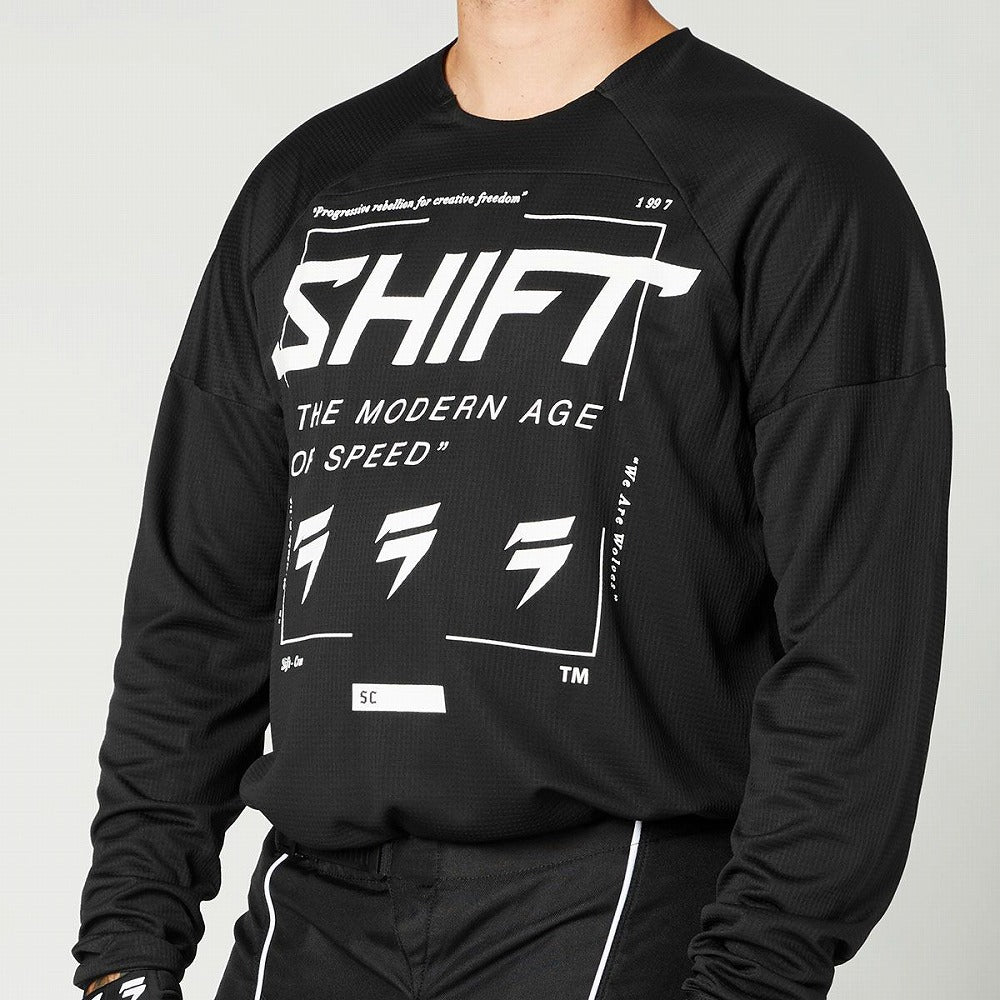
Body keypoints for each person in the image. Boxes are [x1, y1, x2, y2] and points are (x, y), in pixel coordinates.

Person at [71, 2, 952, 998]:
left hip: (618, 908)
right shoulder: (309, 184)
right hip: (312, 913)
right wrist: (127, 945)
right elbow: (196, 601)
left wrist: (757, 969)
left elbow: (858, 631)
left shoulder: (790, 174)